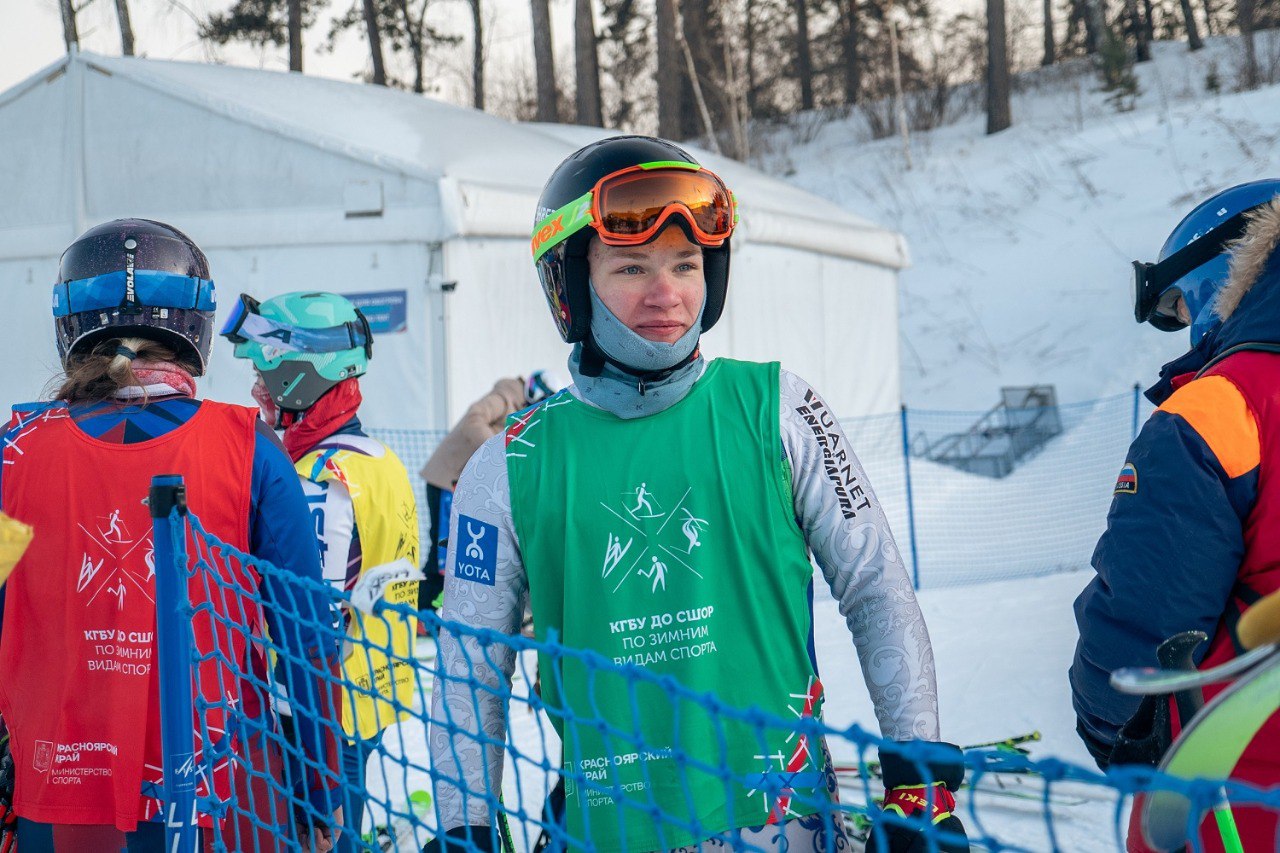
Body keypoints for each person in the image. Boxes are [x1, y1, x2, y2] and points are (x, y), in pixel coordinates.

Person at [427, 136, 968, 852]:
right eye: (631, 267)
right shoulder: (508, 463)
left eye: (686, 264)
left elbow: (877, 588)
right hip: (609, 833)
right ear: (569, 284)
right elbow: (470, 666)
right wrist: (463, 827)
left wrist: (918, 784)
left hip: (789, 831)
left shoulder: (779, 408)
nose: (667, 294)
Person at [0, 219, 343, 852]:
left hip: (59, 796)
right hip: (221, 793)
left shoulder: (15, 453)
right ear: (194, 328)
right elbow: (306, 641)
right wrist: (319, 793)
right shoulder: (250, 449)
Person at [1071, 179, 1280, 849]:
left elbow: (1141, 615)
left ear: (1220, 280)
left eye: (1183, 305)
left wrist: (1110, 724)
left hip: (1233, 798)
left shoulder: (1224, 404)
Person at [223, 290, 420, 853]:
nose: (256, 387)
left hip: (320, 720)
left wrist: (297, 735)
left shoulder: (318, 477)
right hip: (373, 691)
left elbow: (312, 623)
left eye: (267, 370)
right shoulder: (377, 458)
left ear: (303, 376)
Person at [417, 370, 567, 613]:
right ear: (535, 392)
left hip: (471, 485)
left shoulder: (529, 413)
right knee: (443, 552)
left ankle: (445, 610)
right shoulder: (508, 395)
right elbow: (473, 419)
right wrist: (501, 452)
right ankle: (422, 613)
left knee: (469, 549)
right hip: (449, 479)